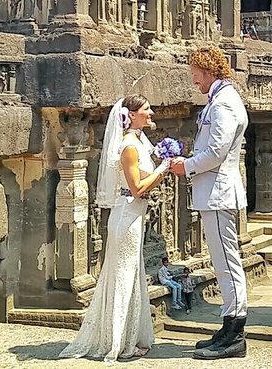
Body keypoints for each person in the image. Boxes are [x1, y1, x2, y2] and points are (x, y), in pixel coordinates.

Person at [60, 95, 171, 361]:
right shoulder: (129, 147)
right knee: (123, 278)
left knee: (132, 274)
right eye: (146, 110)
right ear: (131, 115)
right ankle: (118, 344)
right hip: (126, 216)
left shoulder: (139, 142)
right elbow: (137, 188)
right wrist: (163, 169)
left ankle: (129, 337)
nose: (152, 113)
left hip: (133, 215)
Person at [169, 47, 250, 360]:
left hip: (218, 193)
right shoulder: (219, 100)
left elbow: (216, 152)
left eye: (196, 73)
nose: (194, 80)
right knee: (223, 263)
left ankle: (235, 332)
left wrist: (186, 165)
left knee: (228, 264)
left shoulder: (224, 104)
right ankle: (228, 325)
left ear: (208, 70)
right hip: (214, 193)